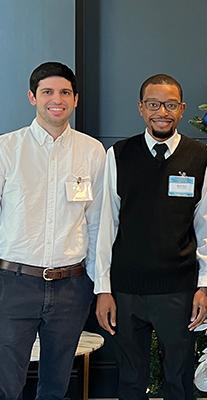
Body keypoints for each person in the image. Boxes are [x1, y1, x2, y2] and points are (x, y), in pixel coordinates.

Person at [94, 73, 207, 400]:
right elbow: (107, 224)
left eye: (170, 104)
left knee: (178, 380)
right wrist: (103, 289)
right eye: (153, 104)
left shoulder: (200, 157)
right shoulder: (118, 154)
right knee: (131, 380)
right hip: (126, 290)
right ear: (140, 108)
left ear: (181, 109)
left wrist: (204, 285)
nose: (161, 111)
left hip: (178, 290)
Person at [0, 62, 106, 399]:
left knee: (56, 385)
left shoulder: (92, 151)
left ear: (75, 99)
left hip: (71, 287)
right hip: (14, 284)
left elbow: (97, 222)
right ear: (32, 97)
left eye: (64, 92)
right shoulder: (6, 149)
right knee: (6, 384)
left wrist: (95, 281)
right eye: (47, 92)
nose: (55, 99)